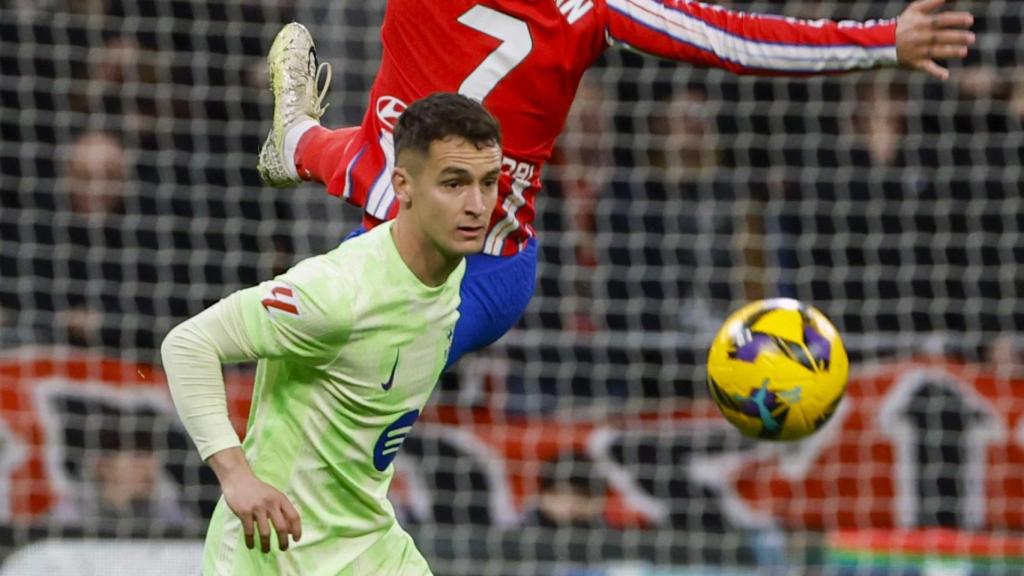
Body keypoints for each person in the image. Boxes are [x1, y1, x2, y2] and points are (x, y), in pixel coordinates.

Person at [256, 0, 975, 368]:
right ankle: (299, 143)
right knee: (309, 373)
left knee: (361, 372)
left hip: (487, 266)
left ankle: (301, 142)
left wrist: (881, 41)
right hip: (393, 221)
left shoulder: (597, 9)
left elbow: (729, 37)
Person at [161, 93, 502, 574]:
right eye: (454, 183)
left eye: (488, 183)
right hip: (276, 553)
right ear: (402, 186)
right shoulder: (337, 294)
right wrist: (236, 477)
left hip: (370, 546)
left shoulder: (450, 277)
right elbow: (187, 344)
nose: (477, 205)